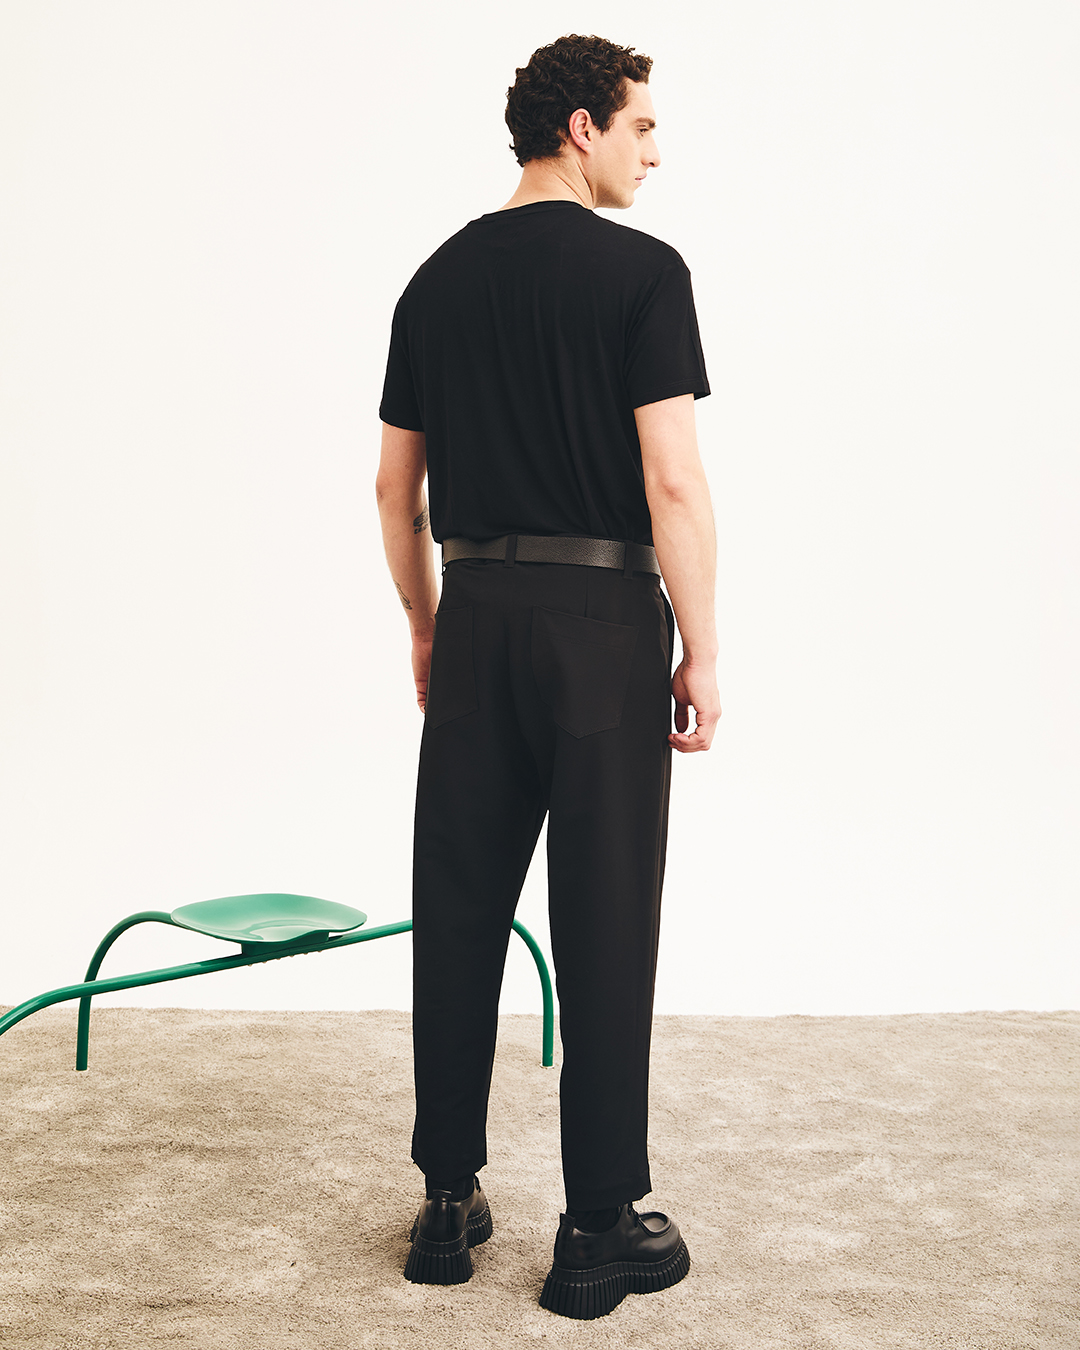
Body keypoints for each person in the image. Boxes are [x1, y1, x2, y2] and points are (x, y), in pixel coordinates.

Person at [375, 33, 720, 1320]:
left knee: (459, 903)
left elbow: (394, 492)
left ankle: (447, 1201)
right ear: (583, 128)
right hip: (604, 624)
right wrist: (704, 644)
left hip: (475, 611)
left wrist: (428, 626)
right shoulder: (643, 274)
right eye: (642, 126)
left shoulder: (436, 279)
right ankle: (597, 1228)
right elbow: (672, 482)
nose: (654, 151)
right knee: (605, 916)